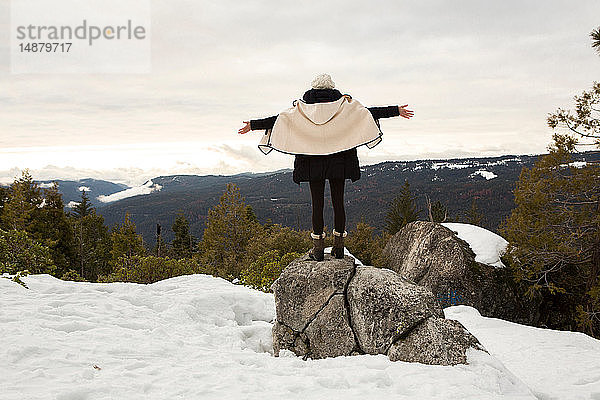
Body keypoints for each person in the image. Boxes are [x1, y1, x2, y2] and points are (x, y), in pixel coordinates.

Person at [238, 73, 413, 261]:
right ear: (331, 88)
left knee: (317, 205)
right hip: (339, 161)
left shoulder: (301, 109)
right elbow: (369, 113)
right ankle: (338, 248)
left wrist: (253, 125)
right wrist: (395, 110)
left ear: (314, 88)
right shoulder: (344, 106)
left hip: (313, 163)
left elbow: (279, 119)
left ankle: (318, 249)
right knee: (338, 202)